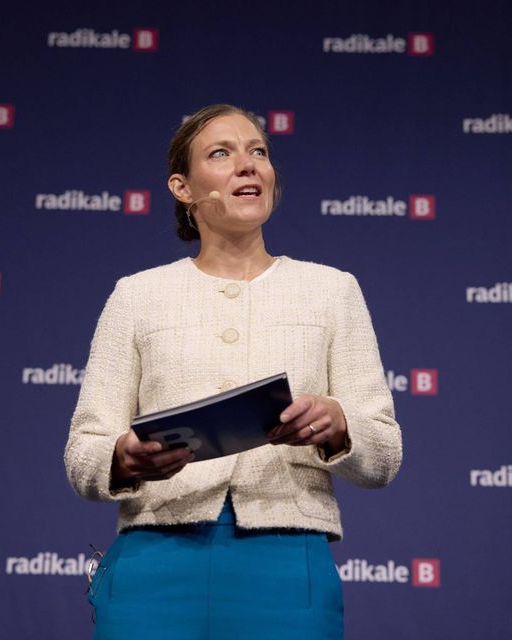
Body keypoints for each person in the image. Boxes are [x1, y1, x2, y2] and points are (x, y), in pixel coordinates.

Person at [64, 104, 402, 639]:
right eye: (221, 153)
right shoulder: (136, 296)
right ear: (182, 188)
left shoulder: (333, 290)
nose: (248, 165)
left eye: (258, 152)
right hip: (153, 567)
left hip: (286, 570)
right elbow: (84, 452)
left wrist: (339, 425)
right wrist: (122, 458)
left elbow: (383, 453)